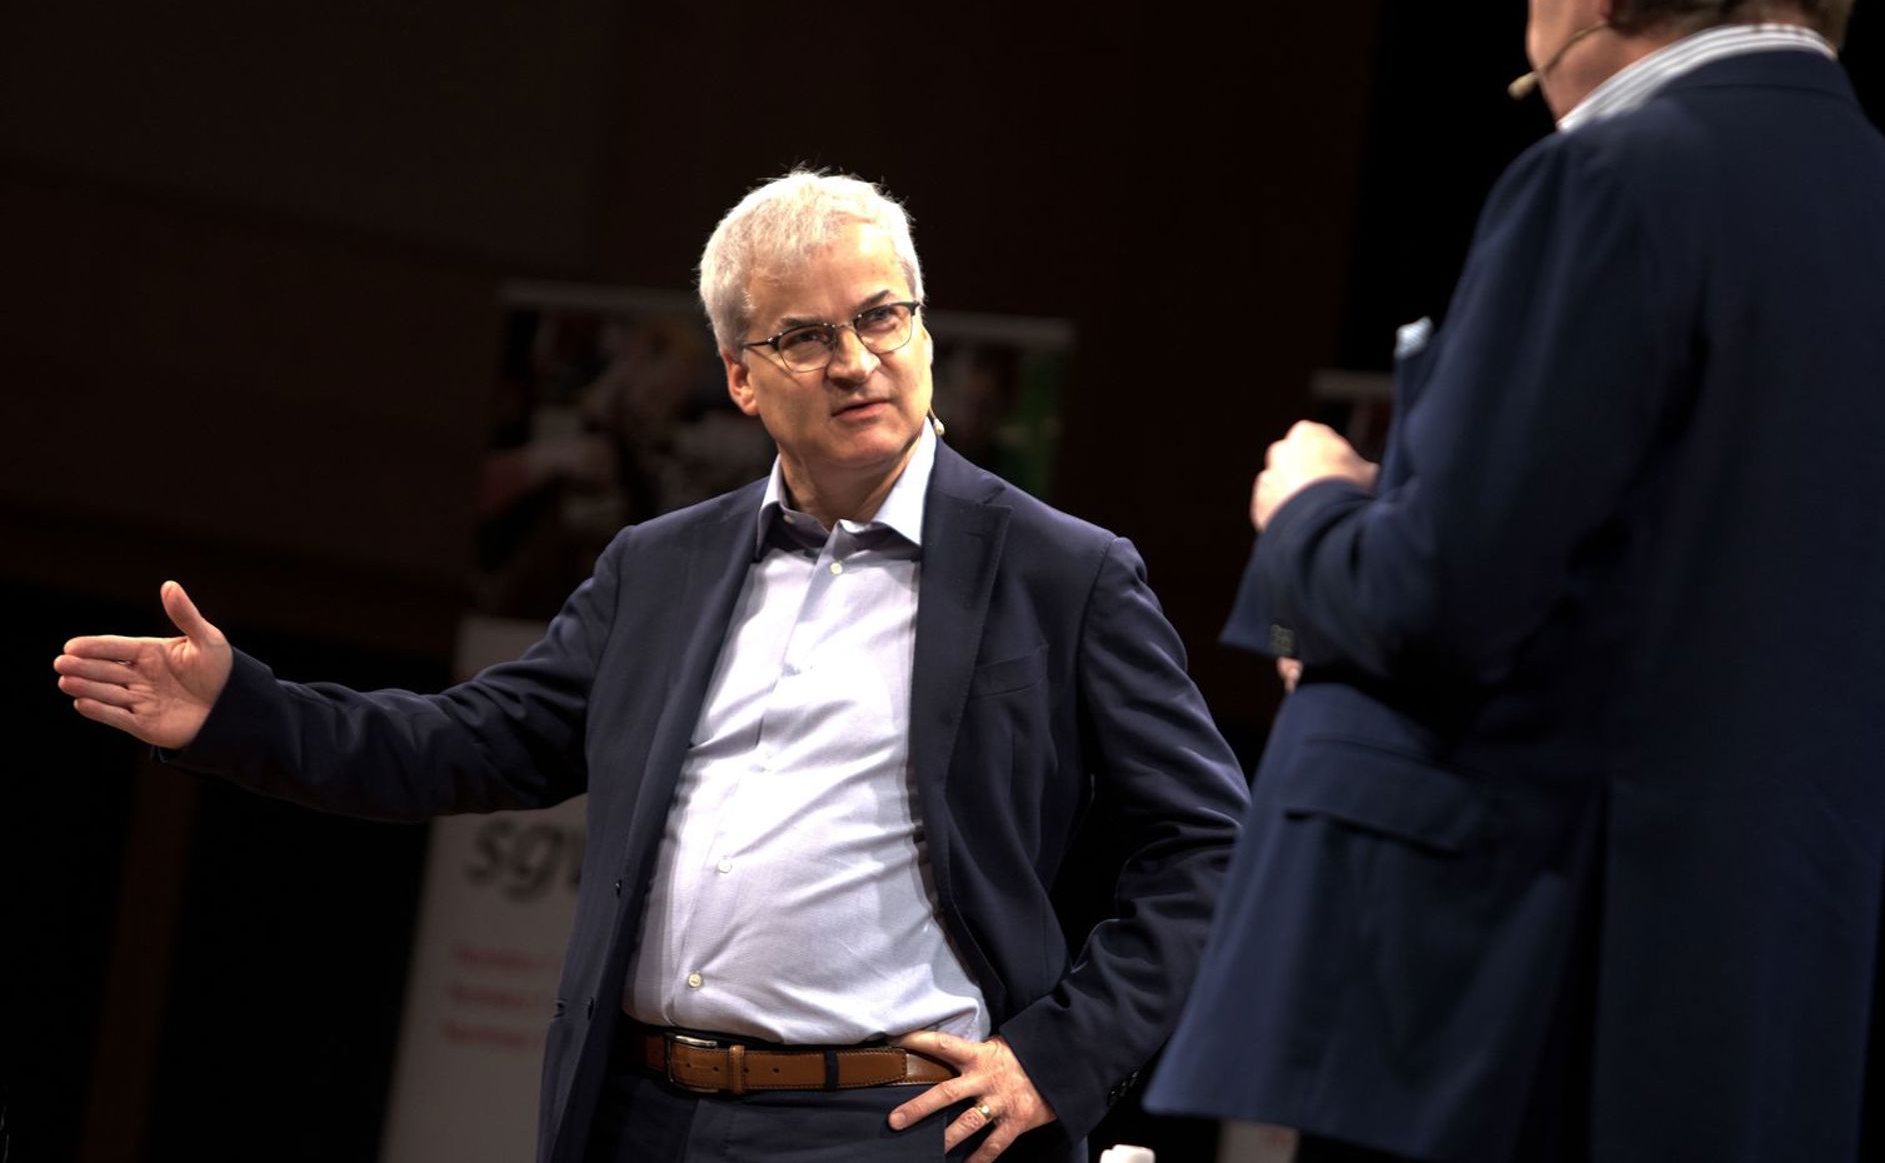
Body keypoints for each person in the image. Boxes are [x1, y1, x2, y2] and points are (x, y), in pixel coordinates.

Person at [56, 171, 1249, 1163]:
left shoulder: (1062, 573)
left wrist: (1061, 1056)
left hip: (890, 1126)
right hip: (635, 1115)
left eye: (882, 317)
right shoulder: (659, 566)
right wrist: (240, 713)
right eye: (805, 337)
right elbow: (465, 742)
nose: (855, 360)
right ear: (739, 376)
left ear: (922, 329)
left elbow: (1206, 840)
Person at [1145, 0, 1885, 1161]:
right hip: (1752, 1038)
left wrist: (1310, 512)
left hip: (1483, 1022)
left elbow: (1436, 599)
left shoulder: (1608, 179)